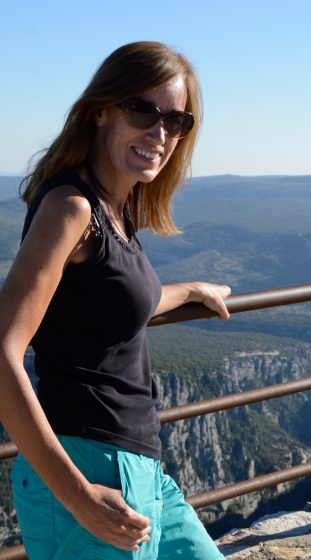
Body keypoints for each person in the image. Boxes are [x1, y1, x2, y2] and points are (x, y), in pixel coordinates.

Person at [0, 41, 231, 559]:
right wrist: (78, 496)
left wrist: (191, 291)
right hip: (88, 470)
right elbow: (1, 350)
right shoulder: (71, 207)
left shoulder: (117, 208)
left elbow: (111, 303)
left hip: (142, 471)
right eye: (142, 110)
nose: (160, 132)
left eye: (176, 121)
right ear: (102, 111)